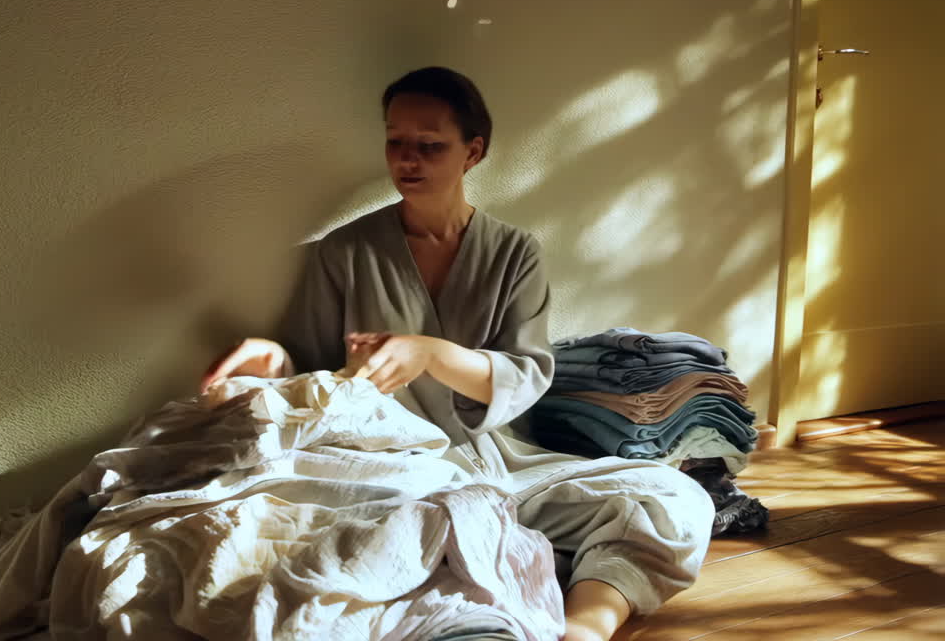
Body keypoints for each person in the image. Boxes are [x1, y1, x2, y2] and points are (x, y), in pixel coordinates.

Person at [200, 66, 714, 641]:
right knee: (379, 541)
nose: (407, 159)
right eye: (395, 141)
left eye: (429, 145)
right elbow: (315, 370)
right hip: (389, 468)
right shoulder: (344, 252)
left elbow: (528, 370)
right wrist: (272, 360)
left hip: (498, 463)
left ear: (473, 152)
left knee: (673, 498)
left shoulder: (514, 253)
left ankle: (585, 625)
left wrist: (431, 354)